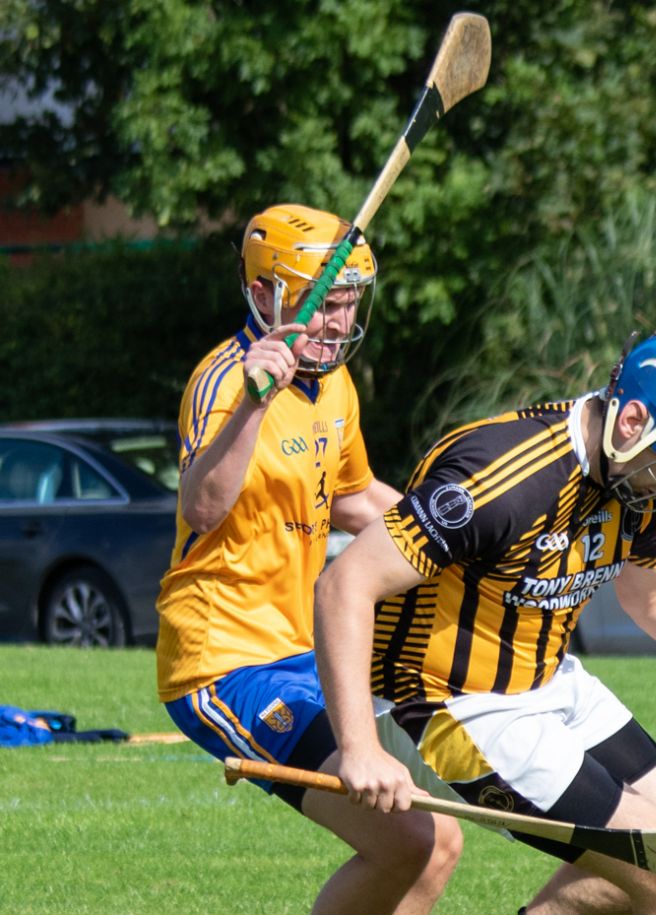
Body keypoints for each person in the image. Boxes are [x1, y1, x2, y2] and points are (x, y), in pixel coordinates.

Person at [312, 332, 656, 914]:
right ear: (632, 419)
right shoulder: (500, 479)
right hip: (443, 704)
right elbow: (343, 585)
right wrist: (358, 747)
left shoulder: (642, 472)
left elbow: (655, 595)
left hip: (549, 682)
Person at [155, 203, 462, 913]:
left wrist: (455, 538)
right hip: (222, 662)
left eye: (348, 302)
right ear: (265, 294)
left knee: (438, 838)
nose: (337, 320)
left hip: (301, 651)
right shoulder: (226, 380)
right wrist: (255, 406)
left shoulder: (336, 386)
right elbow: (202, 506)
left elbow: (353, 497)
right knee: (408, 837)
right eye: (323, 303)